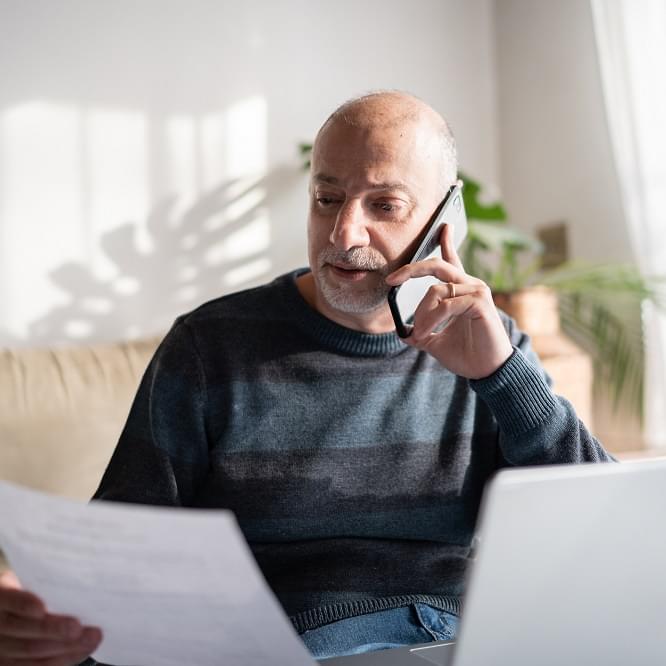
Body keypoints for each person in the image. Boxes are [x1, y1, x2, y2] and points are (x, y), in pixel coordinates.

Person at [0, 91, 613, 665]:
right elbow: (117, 547)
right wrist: (37, 604)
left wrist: (504, 376)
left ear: (446, 218)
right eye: (327, 198)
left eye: (385, 205)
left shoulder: (491, 344)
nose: (344, 233)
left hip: (453, 645)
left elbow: (609, 537)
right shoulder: (210, 347)